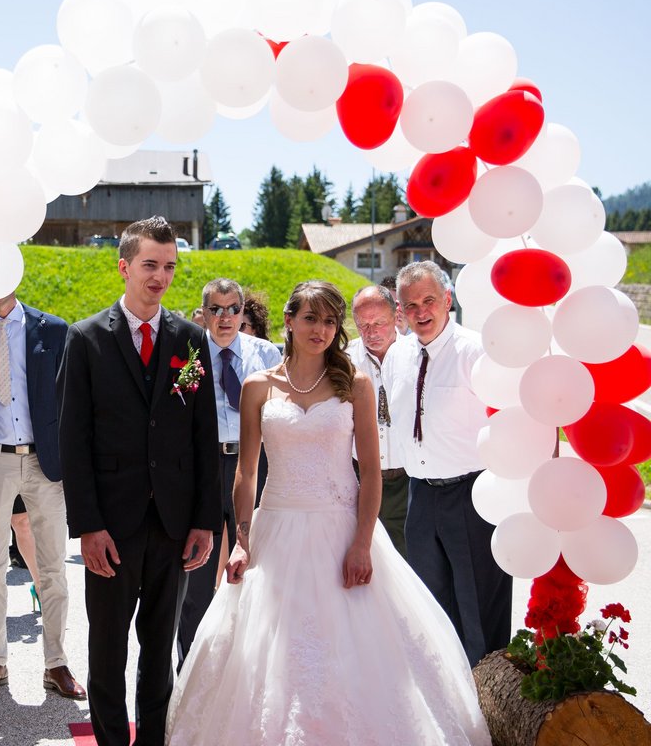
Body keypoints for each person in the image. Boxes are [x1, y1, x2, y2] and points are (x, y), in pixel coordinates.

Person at [166, 281, 491, 745]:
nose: (321, 329)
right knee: (267, 658)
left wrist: (361, 543)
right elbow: (246, 470)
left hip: (342, 531)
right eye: (311, 318)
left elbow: (373, 474)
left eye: (330, 320)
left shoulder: (354, 383)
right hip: (276, 527)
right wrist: (241, 539)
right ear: (289, 321)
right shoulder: (259, 387)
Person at [58, 215, 221, 746]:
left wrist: (203, 520)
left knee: (160, 647)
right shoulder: (84, 339)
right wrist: (87, 526)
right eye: (150, 265)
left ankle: (153, 739)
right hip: (112, 524)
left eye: (170, 266)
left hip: (173, 523)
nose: (161, 277)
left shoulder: (190, 339)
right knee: (107, 649)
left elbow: (204, 436)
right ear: (124, 266)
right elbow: (73, 442)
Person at [0, 291, 84, 699]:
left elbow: (75, 396)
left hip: (44, 463)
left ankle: (57, 664)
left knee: (53, 569)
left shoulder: (53, 328)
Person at [387, 261, 513, 667]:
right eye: (410, 305)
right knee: (430, 608)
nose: (421, 312)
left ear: (447, 299)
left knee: (479, 610)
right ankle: (447, 702)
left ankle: (491, 702)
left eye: (428, 301)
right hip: (420, 496)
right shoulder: (397, 355)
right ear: (399, 309)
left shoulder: (477, 352)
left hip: (473, 493)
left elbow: (508, 422)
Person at [176, 278, 280, 668]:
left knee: (257, 562)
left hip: (254, 463)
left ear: (242, 311)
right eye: (215, 310)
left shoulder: (266, 353)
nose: (225, 317)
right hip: (201, 467)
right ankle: (193, 667)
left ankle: (253, 665)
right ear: (202, 314)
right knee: (196, 573)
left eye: (233, 308)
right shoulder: (185, 354)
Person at [348, 285, 411, 559]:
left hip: (409, 481)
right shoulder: (344, 361)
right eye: (363, 325)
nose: (371, 333)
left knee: (412, 569)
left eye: (379, 323)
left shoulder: (416, 355)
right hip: (359, 480)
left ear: (396, 315)